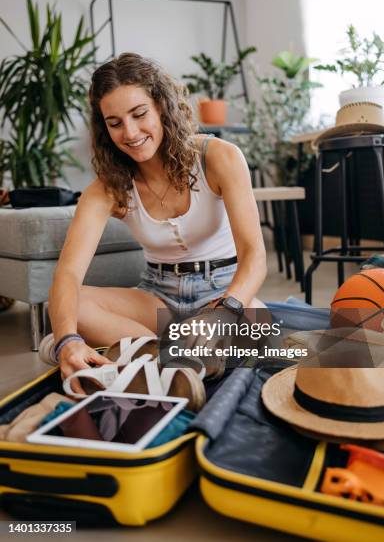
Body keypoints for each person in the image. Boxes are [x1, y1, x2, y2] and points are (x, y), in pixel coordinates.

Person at [45, 53, 267, 392]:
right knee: (75, 307)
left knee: (257, 321)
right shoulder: (107, 188)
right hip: (157, 300)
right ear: (104, 127)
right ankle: (175, 358)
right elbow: (69, 274)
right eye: (115, 122)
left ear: (161, 106)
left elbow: (254, 255)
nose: (130, 133)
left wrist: (225, 312)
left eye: (139, 114)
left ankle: (148, 357)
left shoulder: (219, 157)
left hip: (223, 290)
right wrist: (66, 340)